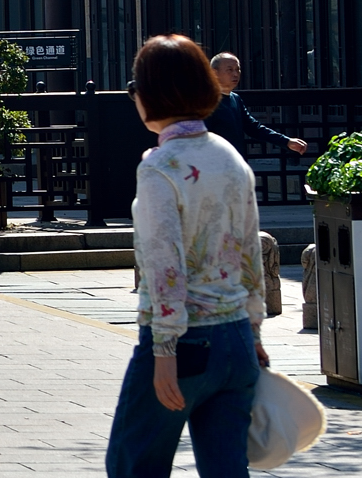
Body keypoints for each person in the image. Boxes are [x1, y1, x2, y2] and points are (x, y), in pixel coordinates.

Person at [105, 34, 267, 477]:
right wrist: (254, 330)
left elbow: (164, 263)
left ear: (152, 93)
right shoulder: (228, 155)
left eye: (135, 87)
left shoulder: (160, 166)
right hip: (237, 335)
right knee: (227, 468)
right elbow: (251, 249)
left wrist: (163, 350)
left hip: (183, 343)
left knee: (134, 464)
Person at [208, 52, 309, 160]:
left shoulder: (235, 99)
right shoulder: (205, 101)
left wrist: (286, 141)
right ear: (214, 73)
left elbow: (253, 128)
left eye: (238, 69)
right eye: (230, 70)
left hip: (234, 162)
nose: (235, 74)